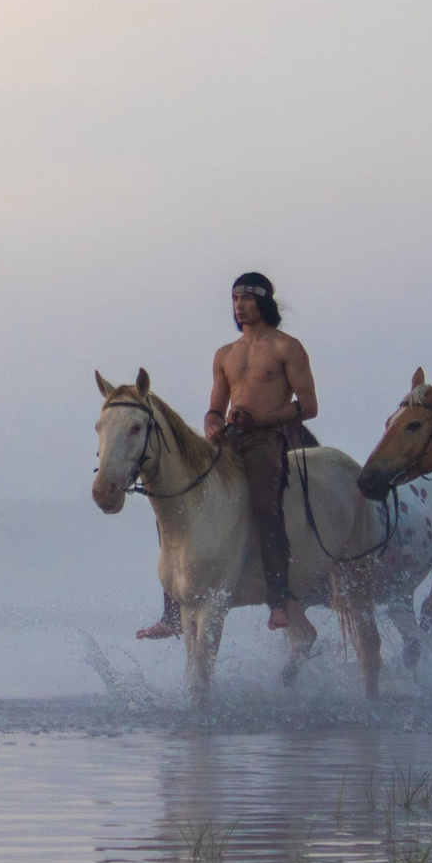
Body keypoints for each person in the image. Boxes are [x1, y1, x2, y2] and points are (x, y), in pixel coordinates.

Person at [136, 272, 320, 640]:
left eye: (247, 299)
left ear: (263, 301)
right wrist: (212, 425)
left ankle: (279, 599)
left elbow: (309, 406)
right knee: (173, 503)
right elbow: (214, 409)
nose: (239, 306)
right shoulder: (226, 354)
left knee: (265, 507)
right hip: (231, 440)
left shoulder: (287, 348)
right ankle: (171, 610)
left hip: (268, 439)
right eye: (235, 299)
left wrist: (260, 420)